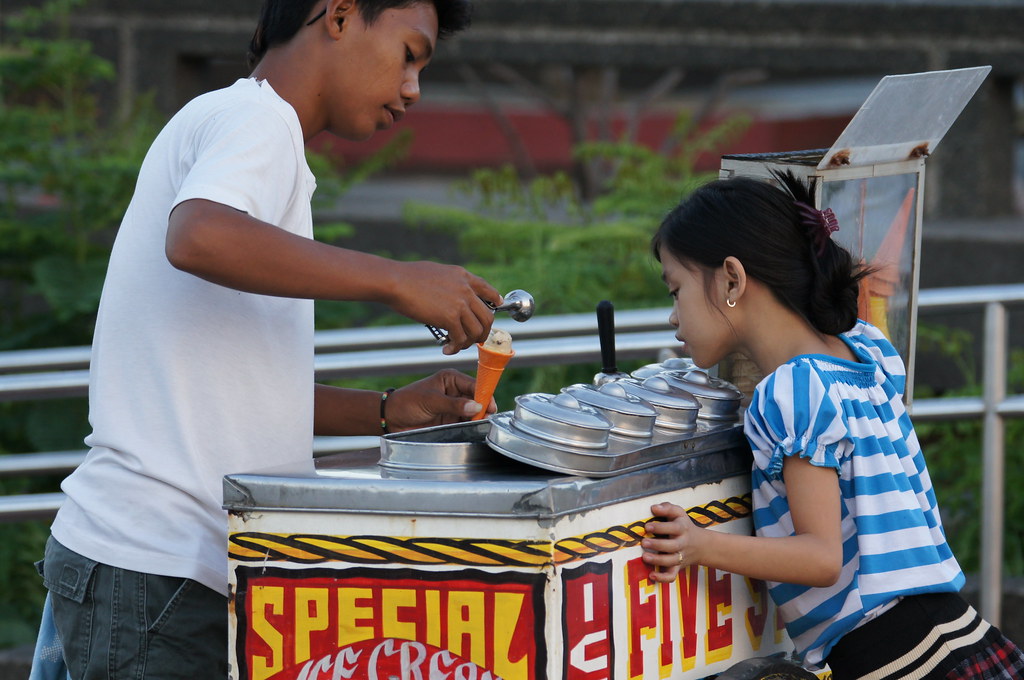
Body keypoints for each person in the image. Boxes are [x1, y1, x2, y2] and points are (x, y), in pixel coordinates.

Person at [36, 1, 496, 677]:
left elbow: (227, 387)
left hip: (142, 571)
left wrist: (386, 410)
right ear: (338, 15)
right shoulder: (257, 122)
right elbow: (197, 235)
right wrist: (400, 280)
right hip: (156, 576)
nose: (412, 90)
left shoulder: (239, 127)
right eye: (408, 54)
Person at [641, 171, 1024, 679]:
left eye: (676, 290)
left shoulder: (792, 389)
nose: (673, 316)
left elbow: (821, 557)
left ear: (732, 279)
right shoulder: (865, 350)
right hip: (952, 629)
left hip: (896, 657)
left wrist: (698, 544)